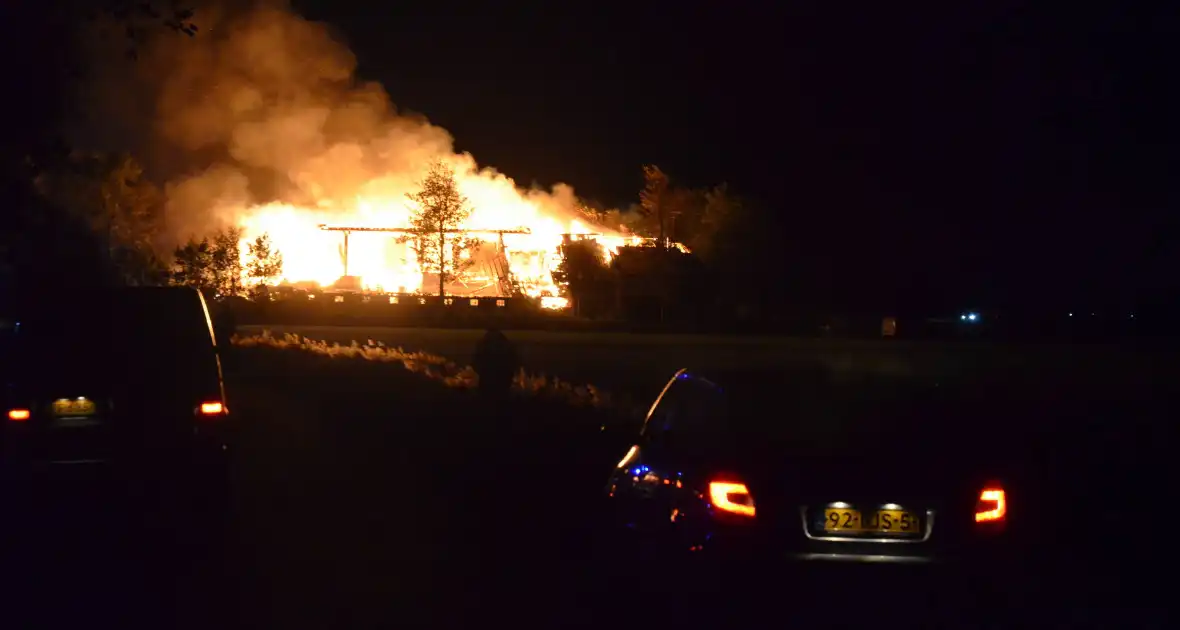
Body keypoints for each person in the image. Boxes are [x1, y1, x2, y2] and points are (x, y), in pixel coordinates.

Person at [472, 327, 521, 405]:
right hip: (503, 386)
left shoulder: (483, 345)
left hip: (487, 386)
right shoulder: (507, 346)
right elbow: (515, 364)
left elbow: (475, 364)